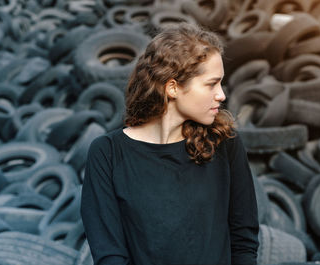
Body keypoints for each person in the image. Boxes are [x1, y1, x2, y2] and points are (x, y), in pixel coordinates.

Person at [80, 22, 259, 265]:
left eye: (221, 83)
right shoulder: (107, 153)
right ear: (173, 87)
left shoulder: (224, 144)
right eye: (211, 84)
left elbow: (244, 239)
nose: (221, 94)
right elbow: (109, 254)